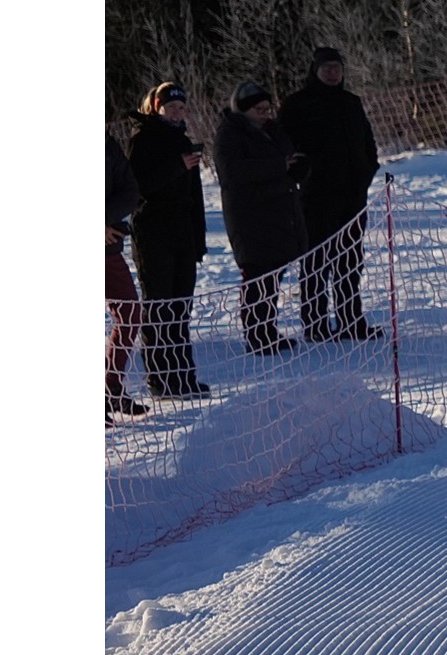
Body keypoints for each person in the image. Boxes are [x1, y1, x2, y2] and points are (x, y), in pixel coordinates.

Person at [282, 47, 384, 341]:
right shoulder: (297, 104)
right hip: (315, 198)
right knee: (316, 263)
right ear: (315, 70)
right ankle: (315, 325)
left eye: (337, 68)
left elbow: (368, 142)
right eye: (326, 68)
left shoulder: (351, 103)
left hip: (352, 197)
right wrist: (304, 176)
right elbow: (285, 147)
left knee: (350, 263)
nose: (332, 73)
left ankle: (352, 321)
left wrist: (366, 172)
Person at [124, 81, 213, 399]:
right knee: (159, 308)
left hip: (182, 234)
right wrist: (177, 166)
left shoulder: (184, 141)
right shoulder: (142, 140)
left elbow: (195, 197)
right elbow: (137, 188)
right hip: (153, 234)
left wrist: (197, 240)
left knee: (181, 310)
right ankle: (159, 379)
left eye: (181, 107)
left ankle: (184, 376)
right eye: (171, 107)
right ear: (156, 107)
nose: (177, 112)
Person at [214, 81, 309, 355]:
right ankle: (257, 334)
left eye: (268, 108)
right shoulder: (230, 134)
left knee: (273, 275)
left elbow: (290, 158)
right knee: (257, 275)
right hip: (250, 216)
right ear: (244, 110)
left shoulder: (272, 130)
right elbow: (231, 172)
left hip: (279, 213)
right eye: (260, 109)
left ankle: (268, 329)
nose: (266, 113)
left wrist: (299, 166)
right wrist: (279, 166)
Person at [107, 135, 150, 420]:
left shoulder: (105, 142)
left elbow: (130, 189)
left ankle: (110, 389)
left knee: (130, 312)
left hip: (106, 245)